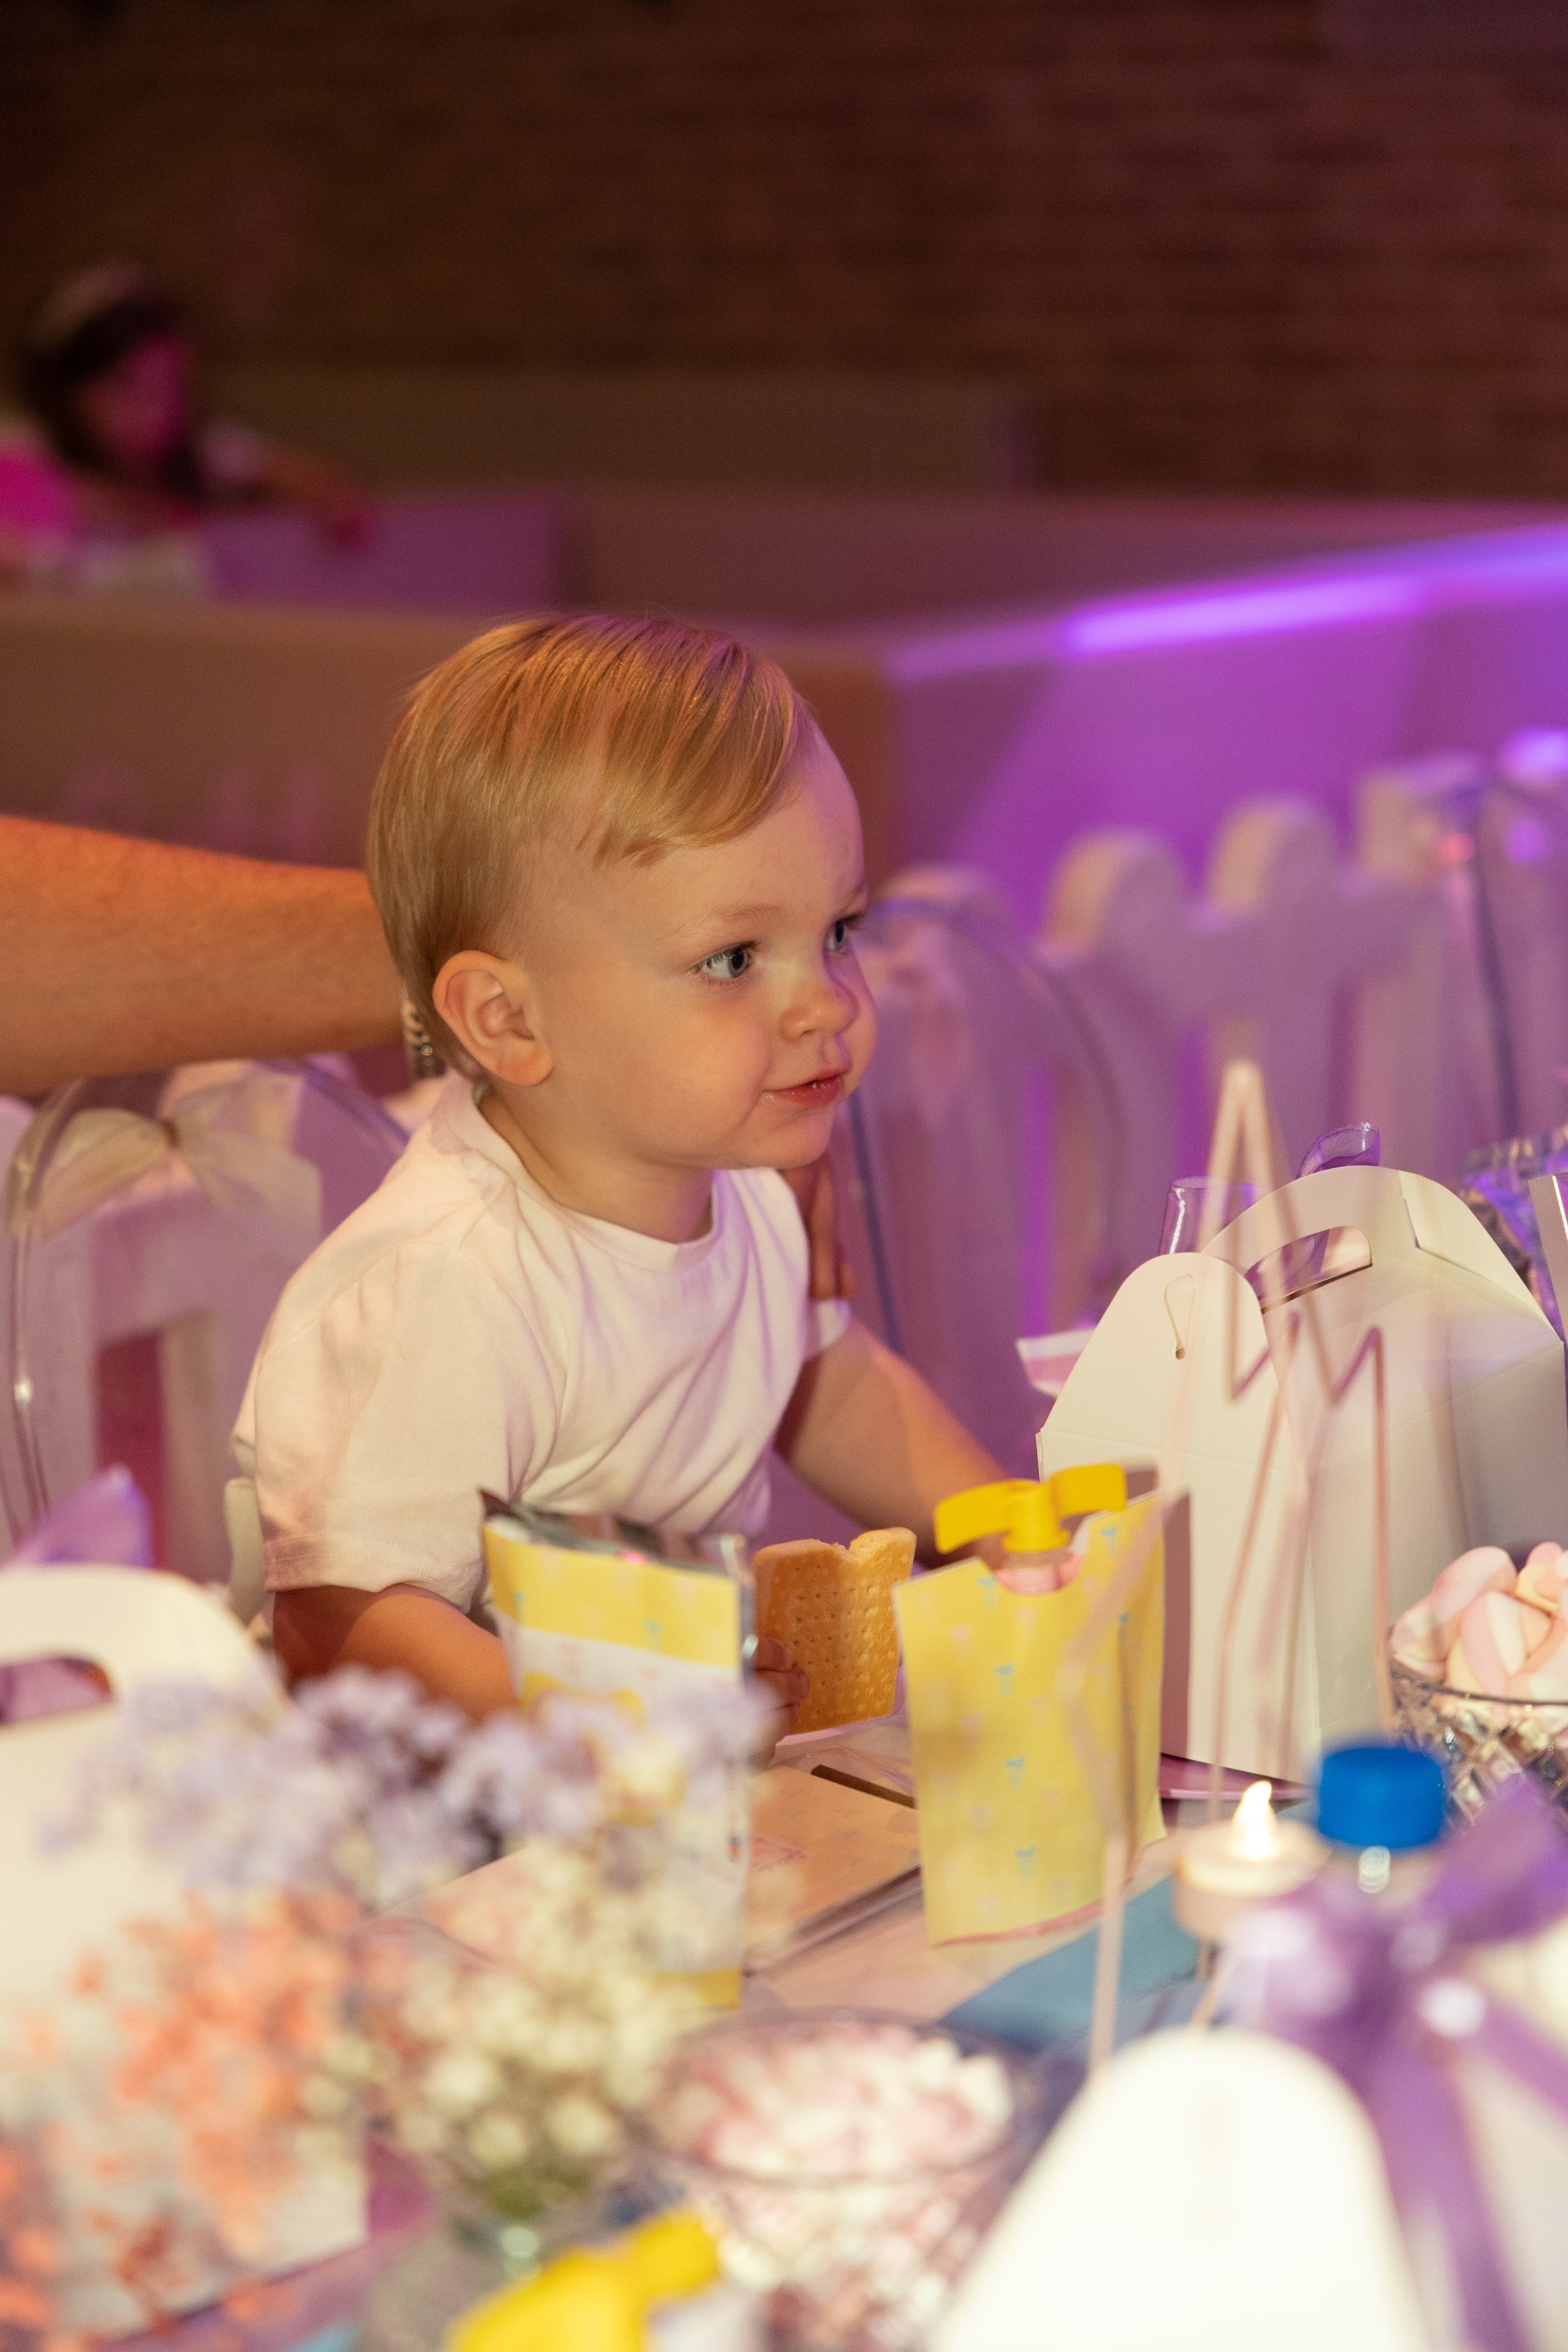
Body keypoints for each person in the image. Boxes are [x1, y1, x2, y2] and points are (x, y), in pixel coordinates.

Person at [238, 615, 1003, 1722]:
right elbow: (339, 1620)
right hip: (427, 1846)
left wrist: (1008, 1529)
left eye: (837, 931)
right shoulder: (450, 1281)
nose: (827, 1001)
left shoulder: (742, 1187)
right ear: (506, 1018)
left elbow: (824, 1387)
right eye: (735, 959)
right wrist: (612, 1724)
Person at [1, 259, 369, 587]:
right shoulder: (24, 456)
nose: (156, 409)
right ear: (70, 391)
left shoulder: (197, 451)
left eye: (172, 385)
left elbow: (323, 487)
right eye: (130, 387)